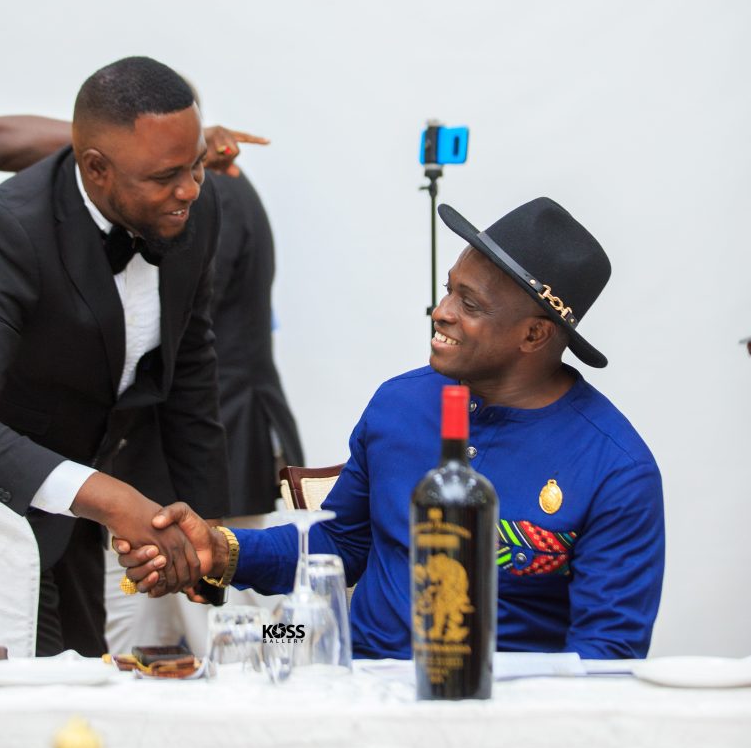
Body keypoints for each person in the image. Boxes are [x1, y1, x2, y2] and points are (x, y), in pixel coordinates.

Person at [119, 197, 666, 660]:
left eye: (469, 304)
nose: (441, 312)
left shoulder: (616, 470)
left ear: (534, 335)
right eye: (449, 290)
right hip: (354, 673)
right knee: (236, 646)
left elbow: (606, 654)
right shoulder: (400, 404)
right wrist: (221, 550)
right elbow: (340, 542)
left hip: (496, 714)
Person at [0, 56, 229, 656]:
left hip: (76, 528)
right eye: (166, 175)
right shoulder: (9, 230)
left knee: (91, 681)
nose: (190, 189)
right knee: (36, 700)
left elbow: (190, 373)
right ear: (96, 168)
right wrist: (112, 499)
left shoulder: (195, 210)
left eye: (197, 164)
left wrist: (207, 536)